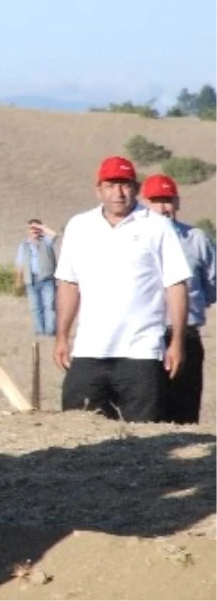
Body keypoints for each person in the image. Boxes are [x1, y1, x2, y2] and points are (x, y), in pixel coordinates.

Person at [53, 157, 191, 423]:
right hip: (89, 351)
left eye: (125, 185)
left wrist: (176, 343)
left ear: (136, 188)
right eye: (111, 185)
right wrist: (62, 337)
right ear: (99, 190)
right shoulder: (79, 226)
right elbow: (69, 284)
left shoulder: (157, 226)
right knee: (77, 430)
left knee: (142, 438)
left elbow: (175, 286)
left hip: (141, 352)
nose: (118, 193)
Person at [140, 173, 216, 423]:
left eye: (168, 200)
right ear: (144, 203)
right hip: (145, 334)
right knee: (148, 408)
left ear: (177, 203)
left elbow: (212, 283)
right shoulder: (136, 239)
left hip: (186, 334)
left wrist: (191, 307)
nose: (163, 207)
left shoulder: (196, 238)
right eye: (156, 200)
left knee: (185, 407)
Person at [15, 219, 58, 337]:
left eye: (36, 228)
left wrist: (42, 227)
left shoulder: (46, 241)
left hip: (46, 278)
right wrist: (18, 280)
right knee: (35, 307)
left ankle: (50, 331)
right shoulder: (23, 245)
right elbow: (20, 263)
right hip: (31, 279)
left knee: (49, 306)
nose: (34, 230)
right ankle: (39, 331)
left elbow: (54, 234)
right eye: (31, 228)